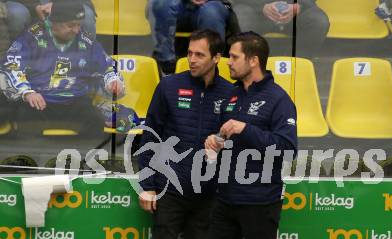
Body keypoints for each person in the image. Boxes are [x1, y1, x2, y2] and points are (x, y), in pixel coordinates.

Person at [137, 29, 235, 239]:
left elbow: (235, 146)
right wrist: (147, 185)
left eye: (199, 55)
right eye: (189, 53)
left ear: (216, 58)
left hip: (209, 193)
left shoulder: (231, 93)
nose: (192, 59)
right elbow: (150, 137)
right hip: (169, 188)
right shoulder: (169, 86)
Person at [202, 32, 297, 239]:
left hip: (261, 203)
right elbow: (224, 136)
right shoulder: (231, 96)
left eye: (234, 57)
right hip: (225, 199)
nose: (229, 62)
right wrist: (214, 141)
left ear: (253, 60)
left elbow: (287, 149)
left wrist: (245, 129)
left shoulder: (279, 99)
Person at [0, 0, 127, 136]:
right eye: (71, 25)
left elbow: (107, 65)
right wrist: (27, 92)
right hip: (38, 102)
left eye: (79, 25)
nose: (76, 30)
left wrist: (113, 81)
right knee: (22, 122)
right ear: (55, 22)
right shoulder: (32, 37)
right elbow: (10, 65)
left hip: (75, 102)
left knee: (96, 123)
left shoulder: (85, 40)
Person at [147, 0, 239, 75]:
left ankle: (213, 67)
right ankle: (167, 66)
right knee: (160, 4)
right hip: (178, 4)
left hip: (214, 3)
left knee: (210, 14)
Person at [233, 0, 329, 58]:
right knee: (239, 18)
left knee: (319, 21)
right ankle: (248, 66)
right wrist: (262, 7)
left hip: (296, 11)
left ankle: (296, 64)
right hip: (254, 9)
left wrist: (298, 5)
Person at [6, 0, 96, 39]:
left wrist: (58, 5)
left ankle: (89, 59)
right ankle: (14, 59)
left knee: (87, 15)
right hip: (22, 2)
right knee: (17, 14)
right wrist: (35, 6)